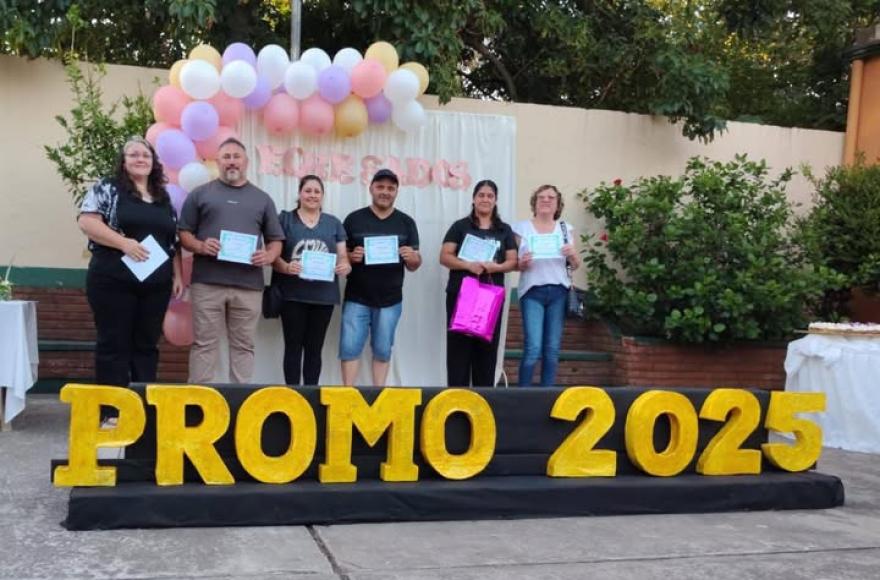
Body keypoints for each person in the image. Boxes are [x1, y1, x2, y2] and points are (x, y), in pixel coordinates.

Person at [77, 136, 183, 392]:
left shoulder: (163, 197)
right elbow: (87, 222)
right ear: (123, 162)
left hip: (155, 286)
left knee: (146, 346)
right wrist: (125, 244)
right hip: (113, 281)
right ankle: (112, 411)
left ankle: (142, 409)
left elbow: (173, 241)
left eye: (145, 155)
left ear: (153, 162)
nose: (140, 159)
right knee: (114, 344)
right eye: (133, 154)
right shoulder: (108, 188)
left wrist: (177, 275)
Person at [178, 138, 285, 384]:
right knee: (204, 344)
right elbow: (184, 234)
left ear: (246, 162)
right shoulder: (200, 194)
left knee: (243, 346)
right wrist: (201, 246)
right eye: (226, 157)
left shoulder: (262, 199)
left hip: (248, 287)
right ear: (218, 162)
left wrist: (268, 256)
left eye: (237, 156)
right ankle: (199, 405)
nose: (231, 161)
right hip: (207, 283)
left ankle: (239, 405)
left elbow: (276, 240)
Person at [340, 168, 421, 386]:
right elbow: (341, 258)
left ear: (396, 192)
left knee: (383, 349)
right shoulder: (353, 219)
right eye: (380, 187)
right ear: (371, 189)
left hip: (390, 299)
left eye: (390, 188)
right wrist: (350, 256)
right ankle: (347, 396)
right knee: (349, 348)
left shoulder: (406, 222)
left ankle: (379, 397)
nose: (385, 192)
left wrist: (412, 257)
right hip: (356, 297)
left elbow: (415, 264)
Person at [272, 175, 351, 385]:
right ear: (299, 193)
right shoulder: (284, 219)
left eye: (317, 191)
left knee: (315, 350)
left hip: (323, 298)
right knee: (293, 347)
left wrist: (345, 265)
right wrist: (286, 267)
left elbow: (343, 255)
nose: (312, 195)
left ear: (322, 196)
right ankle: (292, 395)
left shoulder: (333, 223)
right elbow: (273, 255)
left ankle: (310, 396)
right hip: (292, 296)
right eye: (308, 190)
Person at [440, 180, 517, 387]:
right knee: (458, 349)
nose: (485, 199)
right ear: (474, 199)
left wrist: (495, 267)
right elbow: (445, 257)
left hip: (490, 297)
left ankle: (483, 399)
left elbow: (512, 261)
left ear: (495, 201)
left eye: (490, 196)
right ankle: (456, 398)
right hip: (461, 294)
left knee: (486, 348)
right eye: (481, 195)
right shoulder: (460, 226)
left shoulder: (504, 230)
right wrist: (468, 266)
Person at [513, 184, 581, 387]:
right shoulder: (521, 228)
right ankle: (522, 397)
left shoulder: (565, 229)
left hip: (559, 292)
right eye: (541, 197)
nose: (546, 200)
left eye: (551, 197)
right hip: (532, 291)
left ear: (558, 204)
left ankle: (547, 397)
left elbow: (575, 265)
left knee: (552, 350)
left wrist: (573, 255)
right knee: (533, 348)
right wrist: (521, 263)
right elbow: (513, 264)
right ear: (534, 202)